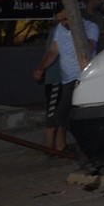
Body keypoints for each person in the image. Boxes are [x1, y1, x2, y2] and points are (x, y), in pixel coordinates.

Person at [32, 10, 100, 152]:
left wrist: (76, 29)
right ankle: (87, 144)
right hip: (67, 79)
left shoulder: (90, 27)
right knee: (69, 115)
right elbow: (53, 51)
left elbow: (89, 47)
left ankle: (90, 143)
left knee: (61, 115)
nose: (63, 23)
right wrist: (41, 68)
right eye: (60, 20)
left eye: (66, 19)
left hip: (81, 77)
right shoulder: (60, 29)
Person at [35, 12, 66, 151]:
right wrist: (41, 69)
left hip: (66, 78)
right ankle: (49, 146)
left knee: (63, 111)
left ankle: (60, 145)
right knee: (53, 112)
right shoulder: (57, 31)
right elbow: (52, 53)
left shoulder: (68, 30)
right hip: (56, 78)